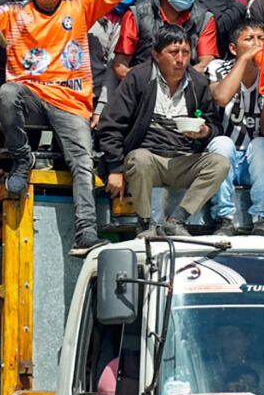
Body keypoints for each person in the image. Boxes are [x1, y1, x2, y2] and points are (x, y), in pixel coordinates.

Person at [0, 0, 135, 253]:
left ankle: (85, 233)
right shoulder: (14, 13)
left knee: (82, 162)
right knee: (7, 93)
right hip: (31, 99)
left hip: (71, 101)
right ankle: (22, 157)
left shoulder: (79, 7)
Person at [95, 24, 230, 237]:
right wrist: (115, 168)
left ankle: (177, 220)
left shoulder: (197, 83)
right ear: (157, 55)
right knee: (139, 158)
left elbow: (215, 124)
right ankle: (146, 223)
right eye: (173, 52)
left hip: (183, 160)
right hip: (149, 162)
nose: (180, 59)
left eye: (185, 53)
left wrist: (204, 132)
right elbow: (111, 124)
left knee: (220, 163)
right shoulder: (139, 78)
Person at [206, 18, 264, 236]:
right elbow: (221, 96)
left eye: (261, 39)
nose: (257, 44)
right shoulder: (217, 67)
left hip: (254, 163)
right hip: (223, 159)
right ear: (232, 48)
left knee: (263, 143)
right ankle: (224, 218)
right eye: (249, 39)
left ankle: (262, 218)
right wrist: (245, 60)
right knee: (223, 143)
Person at [112, 0, 217, 78]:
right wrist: (146, 81)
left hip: (188, 87)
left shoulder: (204, 18)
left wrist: (178, 81)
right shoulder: (137, 15)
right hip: (144, 88)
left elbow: (206, 62)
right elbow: (121, 65)